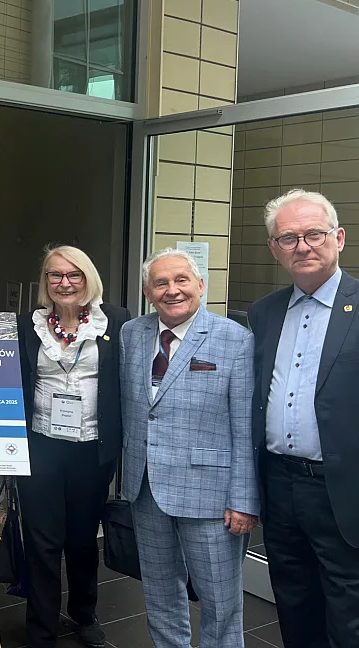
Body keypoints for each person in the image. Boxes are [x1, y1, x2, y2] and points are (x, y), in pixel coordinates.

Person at [120, 248, 258, 648]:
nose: (172, 290)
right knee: (159, 593)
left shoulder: (235, 339)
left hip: (211, 495)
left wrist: (244, 500)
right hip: (146, 487)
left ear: (200, 285)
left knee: (220, 602)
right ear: (148, 292)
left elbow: (244, 427)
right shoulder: (132, 334)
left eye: (181, 280)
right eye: (160, 283)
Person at [247, 188, 359, 647]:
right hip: (280, 484)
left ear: (339, 238)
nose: (303, 246)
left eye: (314, 234)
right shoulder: (264, 312)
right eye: (288, 238)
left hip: (343, 487)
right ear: (275, 249)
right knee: (293, 601)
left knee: (349, 612)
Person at [15, 246, 129, 648]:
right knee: (42, 540)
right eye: (55, 275)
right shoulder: (27, 325)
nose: (64, 283)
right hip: (40, 445)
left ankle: (84, 612)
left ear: (88, 278)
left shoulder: (116, 320)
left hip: (92, 447)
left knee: (82, 538)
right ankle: (41, 627)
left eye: (73, 275)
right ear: (45, 281)